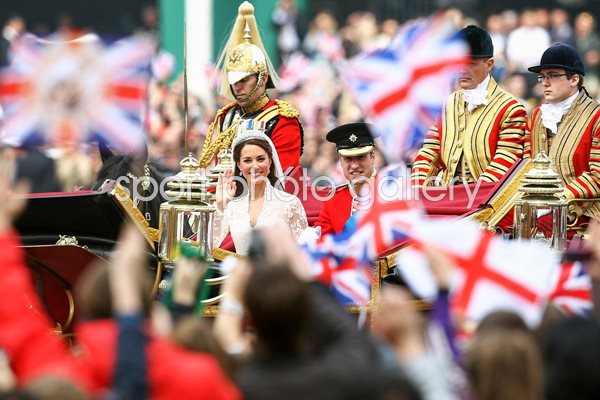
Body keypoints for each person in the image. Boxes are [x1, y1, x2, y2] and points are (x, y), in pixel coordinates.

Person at [411, 25, 528, 187]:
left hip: (488, 201)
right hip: (447, 196)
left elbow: (505, 164)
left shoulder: (510, 108)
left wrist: (472, 199)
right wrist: (418, 190)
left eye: (471, 63)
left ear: (490, 64)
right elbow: (429, 153)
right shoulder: (444, 105)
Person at [199, 1, 303, 173]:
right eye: (234, 81)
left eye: (244, 80)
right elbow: (215, 170)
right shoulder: (225, 116)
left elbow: (283, 176)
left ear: (263, 79)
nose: (237, 87)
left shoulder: (282, 119)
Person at [525, 43, 600, 218]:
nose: (545, 83)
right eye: (542, 77)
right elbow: (526, 165)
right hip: (538, 214)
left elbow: (598, 176)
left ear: (574, 80)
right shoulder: (536, 115)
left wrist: (556, 202)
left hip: (584, 219)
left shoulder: (596, 117)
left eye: (552, 76)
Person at [214, 129, 307, 254]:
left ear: (270, 161)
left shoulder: (290, 203)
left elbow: (305, 252)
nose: (255, 166)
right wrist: (220, 206)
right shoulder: (232, 206)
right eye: (247, 160)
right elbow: (207, 248)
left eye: (260, 159)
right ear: (239, 166)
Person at [314, 122, 376, 235]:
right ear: (340, 161)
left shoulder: (392, 191)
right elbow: (322, 242)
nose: (355, 165)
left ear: (372, 157)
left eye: (361, 157)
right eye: (348, 159)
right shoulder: (333, 200)